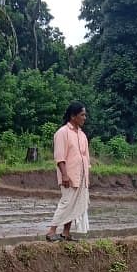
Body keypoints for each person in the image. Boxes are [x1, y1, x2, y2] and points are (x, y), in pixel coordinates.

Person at [45, 102, 90, 241]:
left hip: (81, 176)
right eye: (82, 115)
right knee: (66, 202)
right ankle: (51, 232)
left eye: (85, 115)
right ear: (73, 116)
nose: (84, 118)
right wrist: (64, 175)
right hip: (69, 176)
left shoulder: (82, 135)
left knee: (75, 205)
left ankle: (66, 233)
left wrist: (87, 177)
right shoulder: (62, 133)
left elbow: (85, 157)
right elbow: (60, 157)